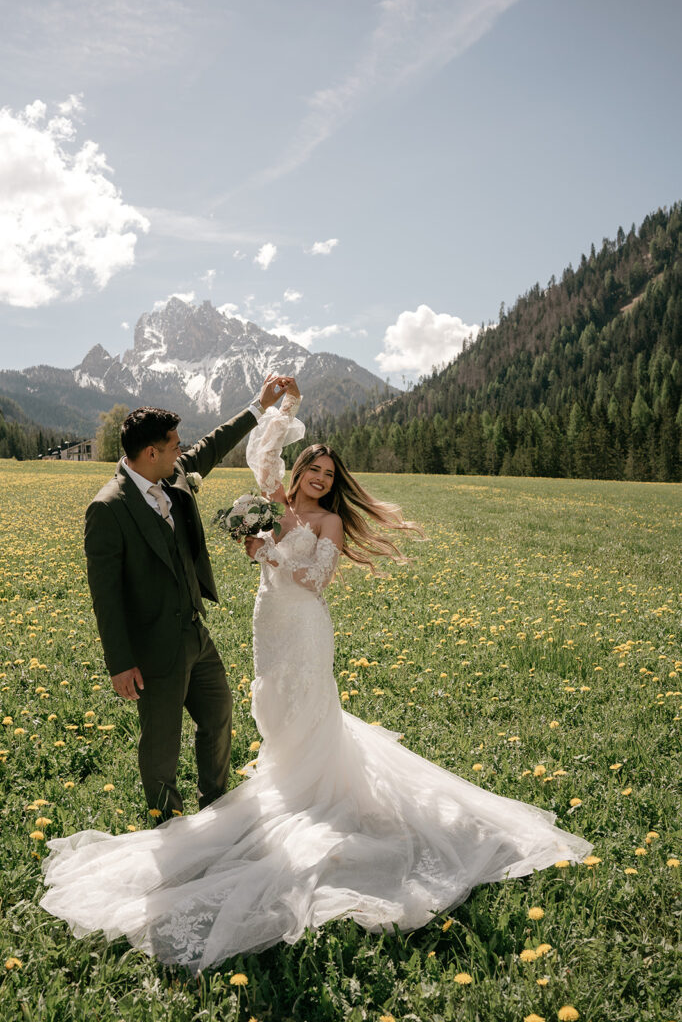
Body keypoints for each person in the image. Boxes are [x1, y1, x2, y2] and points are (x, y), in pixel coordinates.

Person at [40, 381, 592, 974]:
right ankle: (184, 804)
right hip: (263, 623)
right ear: (300, 471)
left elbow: (313, 578)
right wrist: (281, 414)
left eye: (331, 474)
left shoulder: (326, 523)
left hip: (302, 623)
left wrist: (266, 551)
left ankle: (269, 790)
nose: (322, 480)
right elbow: (260, 454)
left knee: (263, 711)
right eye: (316, 470)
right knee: (264, 707)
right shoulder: (246, 499)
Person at [81, 373, 291, 819]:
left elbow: (214, 444)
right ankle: (167, 823)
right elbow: (106, 594)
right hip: (153, 647)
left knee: (218, 715)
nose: (182, 449)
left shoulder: (173, 472)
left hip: (195, 631)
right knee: (161, 744)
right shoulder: (108, 508)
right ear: (151, 452)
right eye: (174, 444)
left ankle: (216, 804)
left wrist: (260, 405)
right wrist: (120, 663)